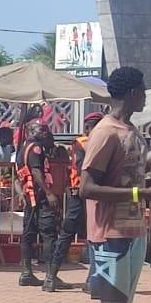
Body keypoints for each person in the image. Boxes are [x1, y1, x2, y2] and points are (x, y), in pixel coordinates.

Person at [80, 66, 151, 303]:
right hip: (110, 234)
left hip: (134, 230)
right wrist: (140, 193)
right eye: (143, 90)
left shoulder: (131, 130)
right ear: (132, 93)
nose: (146, 95)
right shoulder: (105, 132)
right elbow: (87, 187)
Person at [17, 123, 73, 291]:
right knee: (49, 234)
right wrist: (49, 193)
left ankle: (26, 273)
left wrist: (21, 193)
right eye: (41, 129)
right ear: (31, 132)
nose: (46, 132)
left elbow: (17, 176)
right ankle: (50, 276)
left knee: (28, 233)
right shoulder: (36, 149)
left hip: (29, 196)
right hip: (39, 197)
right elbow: (36, 172)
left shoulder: (22, 149)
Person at [55, 113, 103, 272]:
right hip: (80, 192)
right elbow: (83, 167)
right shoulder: (82, 143)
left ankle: (92, 276)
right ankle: (52, 274)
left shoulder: (100, 142)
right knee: (69, 231)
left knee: (92, 232)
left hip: (91, 192)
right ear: (89, 127)